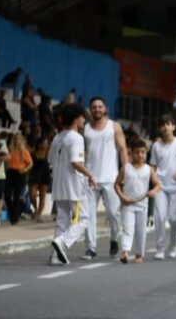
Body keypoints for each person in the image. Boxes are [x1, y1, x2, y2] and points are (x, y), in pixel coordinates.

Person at [49, 104, 97, 265]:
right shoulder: (76, 138)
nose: (84, 120)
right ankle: (63, 242)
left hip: (58, 185)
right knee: (84, 219)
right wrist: (90, 174)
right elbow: (75, 162)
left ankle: (55, 256)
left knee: (62, 221)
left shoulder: (57, 137)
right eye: (82, 117)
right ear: (77, 118)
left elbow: (50, 160)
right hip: (74, 187)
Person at [82, 97, 128, 260]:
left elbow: (123, 149)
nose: (97, 109)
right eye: (94, 107)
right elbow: (82, 152)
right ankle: (91, 248)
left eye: (100, 107)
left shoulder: (114, 126)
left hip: (111, 178)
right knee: (89, 215)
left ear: (105, 109)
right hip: (90, 178)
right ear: (90, 110)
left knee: (113, 214)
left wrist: (126, 172)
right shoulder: (85, 129)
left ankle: (114, 239)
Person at [114, 139, 161, 263]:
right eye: (137, 152)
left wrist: (153, 191)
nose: (140, 155)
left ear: (146, 153)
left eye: (142, 152)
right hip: (128, 204)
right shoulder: (126, 168)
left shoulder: (148, 169)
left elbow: (157, 184)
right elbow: (117, 184)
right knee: (127, 229)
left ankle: (139, 254)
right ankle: (125, 251)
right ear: (131, 153)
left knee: (141, 231)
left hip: (142, 205)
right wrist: (122, 196)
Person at [150, 114, 176, 259]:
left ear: (173, 126)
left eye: (168, 124)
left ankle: (173, 244)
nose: (165, 127)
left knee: (174, 219)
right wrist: (152, 183)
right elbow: (153, 166)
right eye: (162, 125)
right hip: (160, 186)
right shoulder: (156, 146)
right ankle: (160, 248)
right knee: (160, 217)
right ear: (160, 129)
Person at [5, 133, 33, 225]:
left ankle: (14, 218)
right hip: (10, 172)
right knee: (7, 195)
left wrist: (25, 169)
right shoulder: (10, 150)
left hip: (19, 173)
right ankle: (13, 213)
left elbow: (30, 163)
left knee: (16, 196)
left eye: (19, 139)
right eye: (16, 139)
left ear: (21, 140)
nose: (17, 140)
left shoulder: (24, 151)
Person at [28, 137, 52, 222]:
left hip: (45, 175)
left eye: (46, 143)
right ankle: (36, 208)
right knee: (32, 195)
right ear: (39, 144)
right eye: (43, 143)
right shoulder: (33, 153)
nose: (45, 145)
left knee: (42, 195)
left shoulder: (48, 153)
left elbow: (52, 163)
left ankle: (39, 214)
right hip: (34, 175)